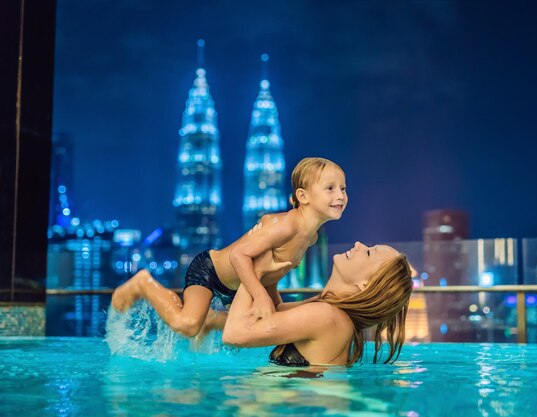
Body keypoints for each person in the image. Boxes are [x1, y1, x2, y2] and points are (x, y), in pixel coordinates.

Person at [111, 157, 347, 337]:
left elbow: (271, 272)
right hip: (210, 271)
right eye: (330, 188)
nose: (340, 195)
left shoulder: (310, 237)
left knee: (268, 322)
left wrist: (316, 301)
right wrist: (260, 297)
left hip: (241, 286)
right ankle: (143, 283)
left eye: (343, 188)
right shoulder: (285, 226)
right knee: (188, 324)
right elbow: (238, 254)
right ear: (303, 196)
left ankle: (213, 320)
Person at [221, 241, 413, 367]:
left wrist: (254, 268)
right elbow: (272, 313)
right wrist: (275, 266)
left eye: (369, 252)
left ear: (366, 284)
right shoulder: (330, 313)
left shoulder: (327, 316)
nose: (358, 245)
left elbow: (235, 333)